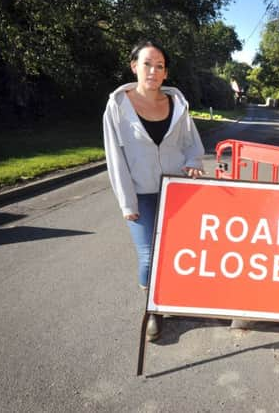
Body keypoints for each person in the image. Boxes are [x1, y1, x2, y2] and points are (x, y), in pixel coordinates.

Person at [103, 40, 205, 342]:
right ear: (134, 66)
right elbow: (115, 157)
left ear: (165, 73)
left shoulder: (178, 105)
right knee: (148, 257)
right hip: (141, 193)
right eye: (147, 63)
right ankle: (153, 310)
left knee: (175, 250)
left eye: (159, 66)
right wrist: (126, 202)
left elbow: (192, 145)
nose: (153, 70)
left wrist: (192, 162)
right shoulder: (118, 107)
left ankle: (172, 298)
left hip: (176, 189)